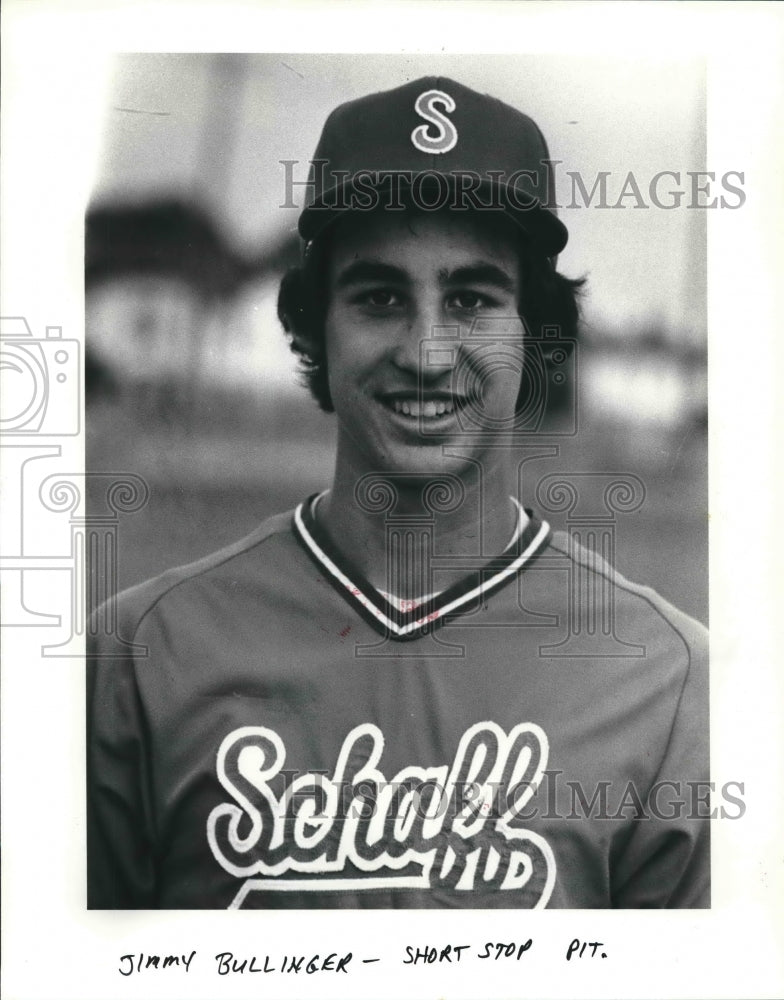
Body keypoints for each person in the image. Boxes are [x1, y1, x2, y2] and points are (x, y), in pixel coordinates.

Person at [87, 76, 709, 909]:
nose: (426, 350)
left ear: (536, 331)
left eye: (473, 299)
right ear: (314, 327)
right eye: (379, 297)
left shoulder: (668, 682)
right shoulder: (136, 654)